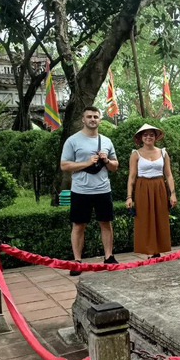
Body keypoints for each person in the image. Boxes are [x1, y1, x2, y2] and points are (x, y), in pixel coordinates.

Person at [60, 106, 119, 275]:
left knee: (106, 223)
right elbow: (64, 165)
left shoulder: (107, 141)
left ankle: (109, 257)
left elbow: (115, 166)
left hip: (102, 189)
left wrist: (106, 160)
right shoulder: (73, 140)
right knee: (78, 225)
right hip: (81, 190)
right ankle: (77, 261)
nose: (93, 119)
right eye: (89, 116)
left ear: (100, 120)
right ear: (83, 120)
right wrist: (86, 163)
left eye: (96, 116)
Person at [124, 124, 176, 258]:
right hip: (142, 186)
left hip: (159, 186)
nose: (148, 137)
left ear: (155, 137)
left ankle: (158, 249)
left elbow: (169, 175)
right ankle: (148, 250)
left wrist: (173, 194)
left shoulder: (163, 153)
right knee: (144, 218)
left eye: (151, 135)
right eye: (145, 135)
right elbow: (132, 176)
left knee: (160, 216)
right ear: (141, 137)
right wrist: (129, 196)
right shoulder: (135, 154)